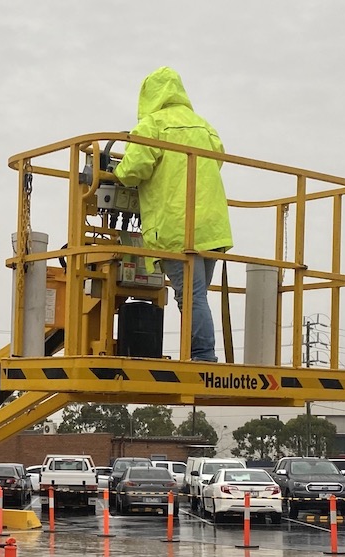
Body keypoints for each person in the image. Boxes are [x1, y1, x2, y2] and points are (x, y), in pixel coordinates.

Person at [114, 66, 233, 362]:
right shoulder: (205, 127)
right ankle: (201, 353)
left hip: (178, 226)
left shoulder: (152, 125)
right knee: (198, 294)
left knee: (191, 297)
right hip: (211, 226)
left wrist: (116, 172)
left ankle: (203, 355)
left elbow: (132, 171)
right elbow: (217, 162)